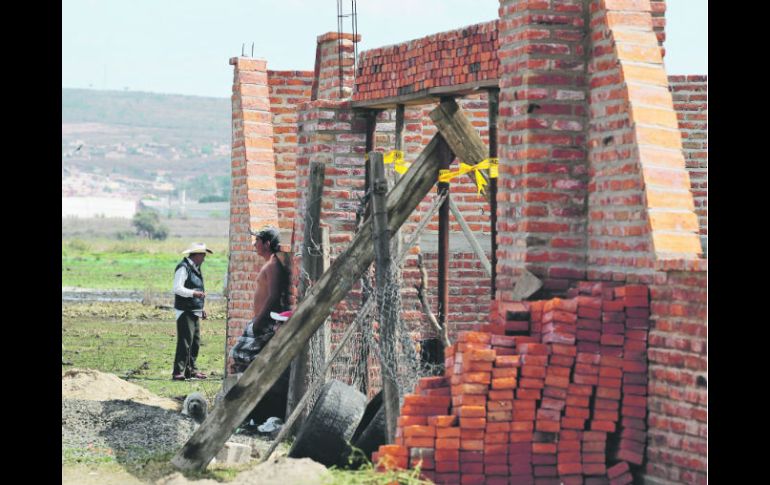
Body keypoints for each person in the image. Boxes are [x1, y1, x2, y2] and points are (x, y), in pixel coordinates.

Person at [229, 226, 291, 427]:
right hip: (259, 321)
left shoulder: (273, 266)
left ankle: (252, 404)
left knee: (240, 354)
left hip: (264, 322)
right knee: (241, 358)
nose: (254, 244)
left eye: (257, 241)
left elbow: (273, 296)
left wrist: (259, 321)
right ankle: (251, 407)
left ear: (266, 243)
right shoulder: (269, 264)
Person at [172, 242, 212, 381]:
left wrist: (201, 308)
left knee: (194, 342)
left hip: (194, 309)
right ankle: (178, 371)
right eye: (203, 255)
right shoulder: (183, 268)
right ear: (197, 255)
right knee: (184, 341)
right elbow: (177, 288)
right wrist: (194, 294)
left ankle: (191, 370)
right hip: (184, 310)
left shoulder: (195, 268)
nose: (204, 258)